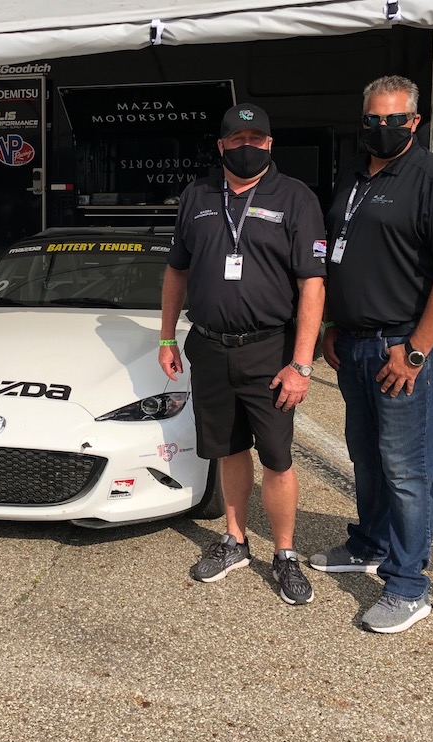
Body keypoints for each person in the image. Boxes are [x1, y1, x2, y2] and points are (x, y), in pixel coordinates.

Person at [311, 75, 433, 633]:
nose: (382, 128)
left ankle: (408, 585)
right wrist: (334, 325)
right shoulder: (354, 175)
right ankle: (369, 542)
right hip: (354, 344)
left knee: (406, 469)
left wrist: (417, 350)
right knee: (366, 457)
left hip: (402, 347)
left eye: (394, 119)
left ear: (414, 121)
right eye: (373, 119)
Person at [160, 103, 326, 606]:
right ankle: (235, 540)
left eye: (256, 139)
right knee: (229, 449)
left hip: (269, 351)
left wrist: (301, 364)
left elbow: (312, 283)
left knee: (277, 457)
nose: (246, 146)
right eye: (237, 139)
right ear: (221, 145)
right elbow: (176, 271)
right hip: (210, 347)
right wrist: (166, 338)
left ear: (270, 144)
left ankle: (285, 552)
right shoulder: (197, 196)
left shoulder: (295, 197)